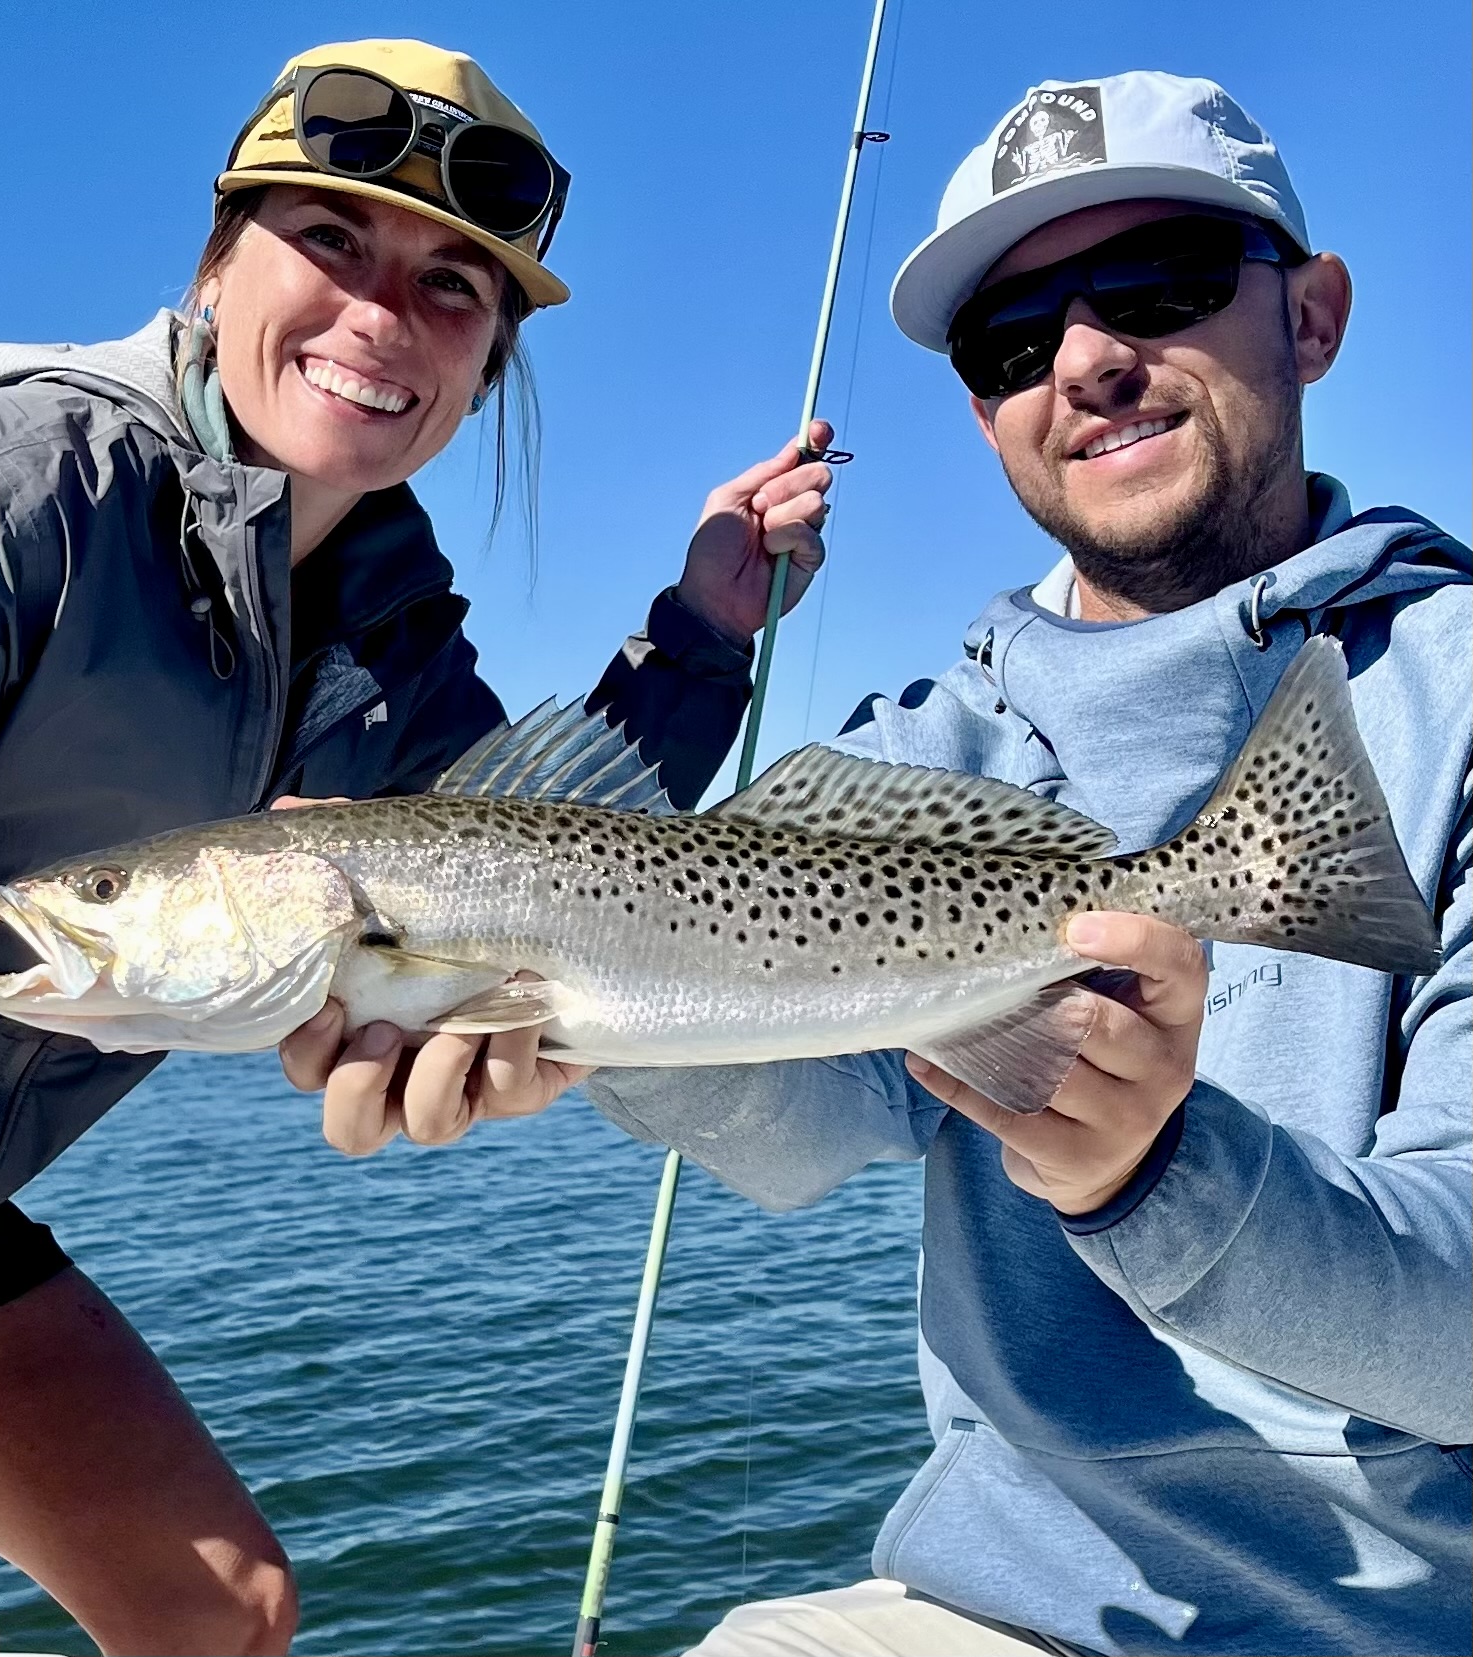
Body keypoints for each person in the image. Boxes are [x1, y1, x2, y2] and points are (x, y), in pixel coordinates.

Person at [0, 37, 834, 1657]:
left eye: (453, 287)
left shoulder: (381, 621)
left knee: (222, 1611)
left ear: (485, 363)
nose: (380, 313)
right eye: (332, 241)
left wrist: (706, 629)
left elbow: (554, 860)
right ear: (219, 265)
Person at [577, 71, 1470, 1656]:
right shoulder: (915, 751)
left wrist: (1155, 1175)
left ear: (1313, 317)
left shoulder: (1454, 697)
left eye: (1161, 287)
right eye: (1011, 342)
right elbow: (795, 1117)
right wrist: (580, 1027)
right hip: (1002, 1603)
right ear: (984, 409)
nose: (1084, 361)